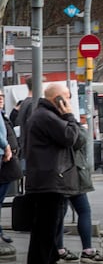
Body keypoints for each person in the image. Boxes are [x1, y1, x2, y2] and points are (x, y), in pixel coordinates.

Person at [25, 83, 80, 264]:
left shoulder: (43, 115)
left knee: (46, 230)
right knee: (47, 231)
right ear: (58, 99)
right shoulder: (47, 117)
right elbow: (71, 137)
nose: (69, 100)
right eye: (67, 97)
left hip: (46, 180)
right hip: (50, 182)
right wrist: (70, 116)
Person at [57, 125, 103, 262]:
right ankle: (87, 249)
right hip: (74, 173)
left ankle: (59, 248)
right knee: (84, 210)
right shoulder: (67, 124)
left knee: (59, 213)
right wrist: (73, 120)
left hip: (57, 174)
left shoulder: (47, 122)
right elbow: (81, 139)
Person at [0, 90, 23, 244]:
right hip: (4, 159)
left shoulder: (3, 114)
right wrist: (7, 147)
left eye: (1, 96)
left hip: (7, 161)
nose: (0, 99)